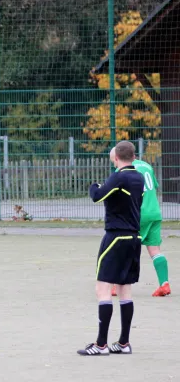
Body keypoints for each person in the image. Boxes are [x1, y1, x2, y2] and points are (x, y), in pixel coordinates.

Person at [77, 141, 144, 356]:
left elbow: (97, 195)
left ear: (116, 157)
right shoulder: (138, 177)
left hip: (116, 237)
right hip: (134, 238)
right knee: (124, 289)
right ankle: (123, 343)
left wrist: (93, 185)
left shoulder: (119, 176)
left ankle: (101, 344)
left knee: (102, 288)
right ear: (134, 156)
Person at [109, 148, 170, 297]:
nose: (115, 166)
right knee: (155, 250)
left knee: (122, 248)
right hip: (154, 212)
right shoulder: (147, 166)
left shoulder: (123, 171)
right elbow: (153, 187)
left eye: (114, 163)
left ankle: (117, 287)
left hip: (138, 214)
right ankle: (164, 284)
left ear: (118, 159)